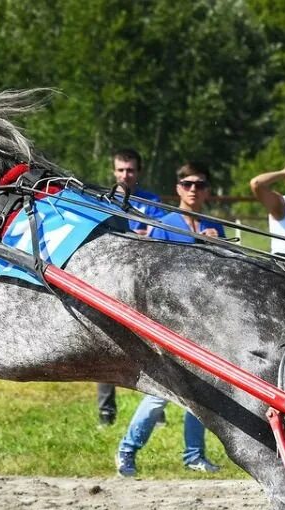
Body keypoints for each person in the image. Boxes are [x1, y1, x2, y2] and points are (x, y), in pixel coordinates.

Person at [116, 162, 223, 477]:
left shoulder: (213, 226)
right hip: (170, 323)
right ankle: (127, 451)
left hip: (205, 322)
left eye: (199, 184)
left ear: (206, 190)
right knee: (161, 395)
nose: (193, 189)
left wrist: (217, 245)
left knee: (203, 395)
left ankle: (194, 455)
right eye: (187, 183)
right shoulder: (165, 224)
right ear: (178, 188)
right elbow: (150, 274)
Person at [97, 148, 161, 426]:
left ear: (139, 172)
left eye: (131, 170)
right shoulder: (103, 200)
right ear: (114, 171)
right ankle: (106, 411)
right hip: (110, 281)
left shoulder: (153, 202)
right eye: (121, 170)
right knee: (104, 344)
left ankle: (157, 412)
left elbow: (157, 234)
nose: (126, 175)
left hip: (143, 280)